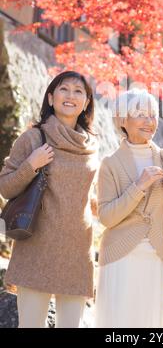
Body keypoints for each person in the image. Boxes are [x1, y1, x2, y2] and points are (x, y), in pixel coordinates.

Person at [0, 71, 98, 328]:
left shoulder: (92, 146)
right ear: (51, 98)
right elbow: (5, 187)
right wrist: (30, 165)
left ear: (87, 102)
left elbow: (87, 196)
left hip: (77, 253)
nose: (71, 96)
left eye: (79, 91)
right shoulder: (33, 138)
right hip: (37, 250)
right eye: (64, 89)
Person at [94, 88, 163, 328]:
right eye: (141, 114)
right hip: (118, 255)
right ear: (123, 120)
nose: (149, 121)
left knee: (152, 322)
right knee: (117, 322)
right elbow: (106, 217)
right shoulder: (110, 164)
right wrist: (138, 186)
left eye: (153, 115)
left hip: (156, 254)